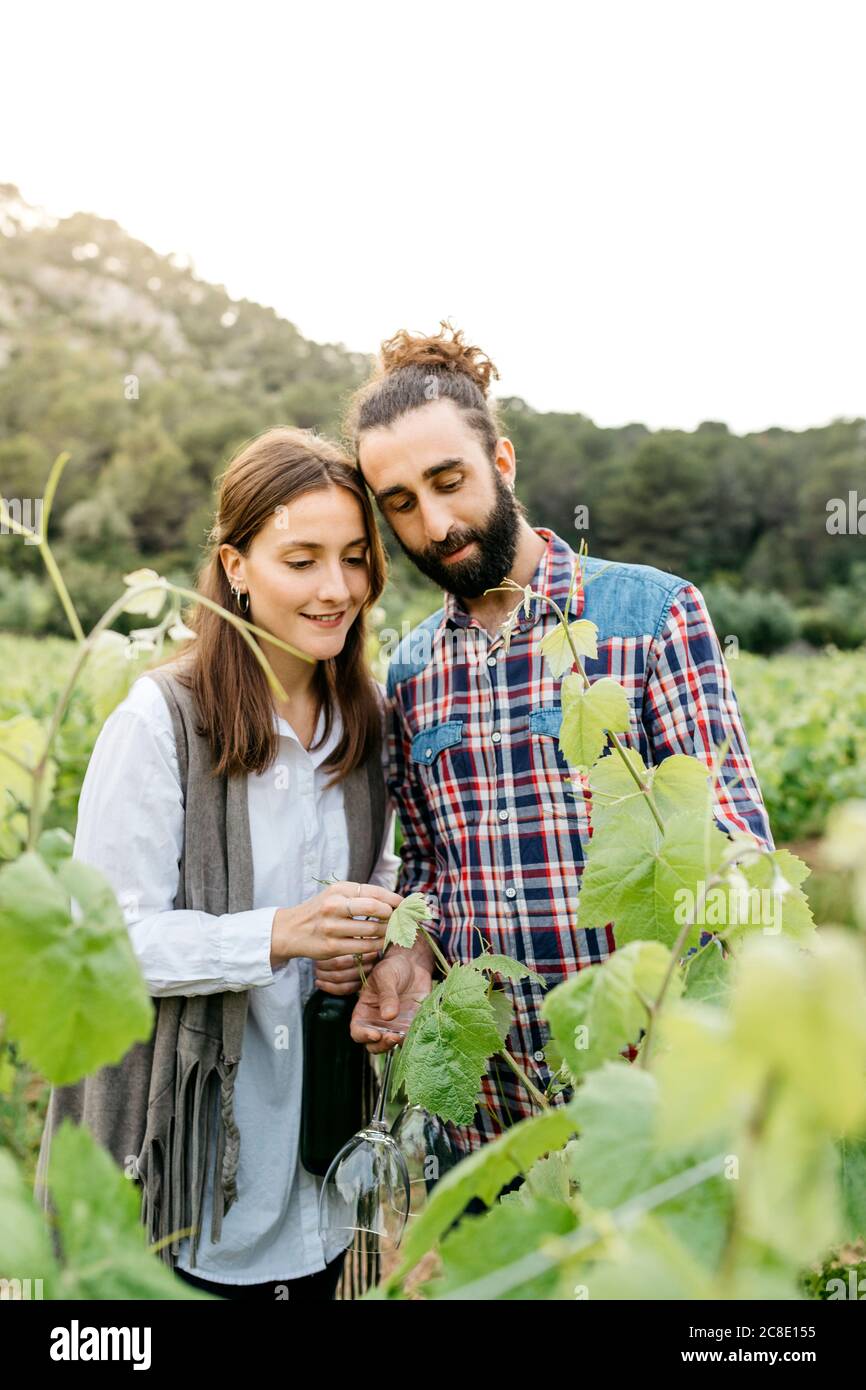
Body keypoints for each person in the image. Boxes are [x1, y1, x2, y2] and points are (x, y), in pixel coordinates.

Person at [344, 322, 775, 1163]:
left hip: (644, 1105)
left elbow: (736, 849)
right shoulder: (409, 672)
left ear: (501, 463)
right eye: (401, 503)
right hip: (487, 1119)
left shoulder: (649, 616)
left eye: (449, 481)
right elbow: (429, 872)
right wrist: (406, 955)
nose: (434, 523)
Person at [34, 426, 405, 1300]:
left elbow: (389, 877)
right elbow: (107, 944)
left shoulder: (370, 723)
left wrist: (382, 942)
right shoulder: (159, 721)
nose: (335, 588)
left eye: (354, 558)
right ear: (235, 565)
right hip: (185, 1161)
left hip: (314, 1155)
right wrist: (278, 935)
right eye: (301, 558)